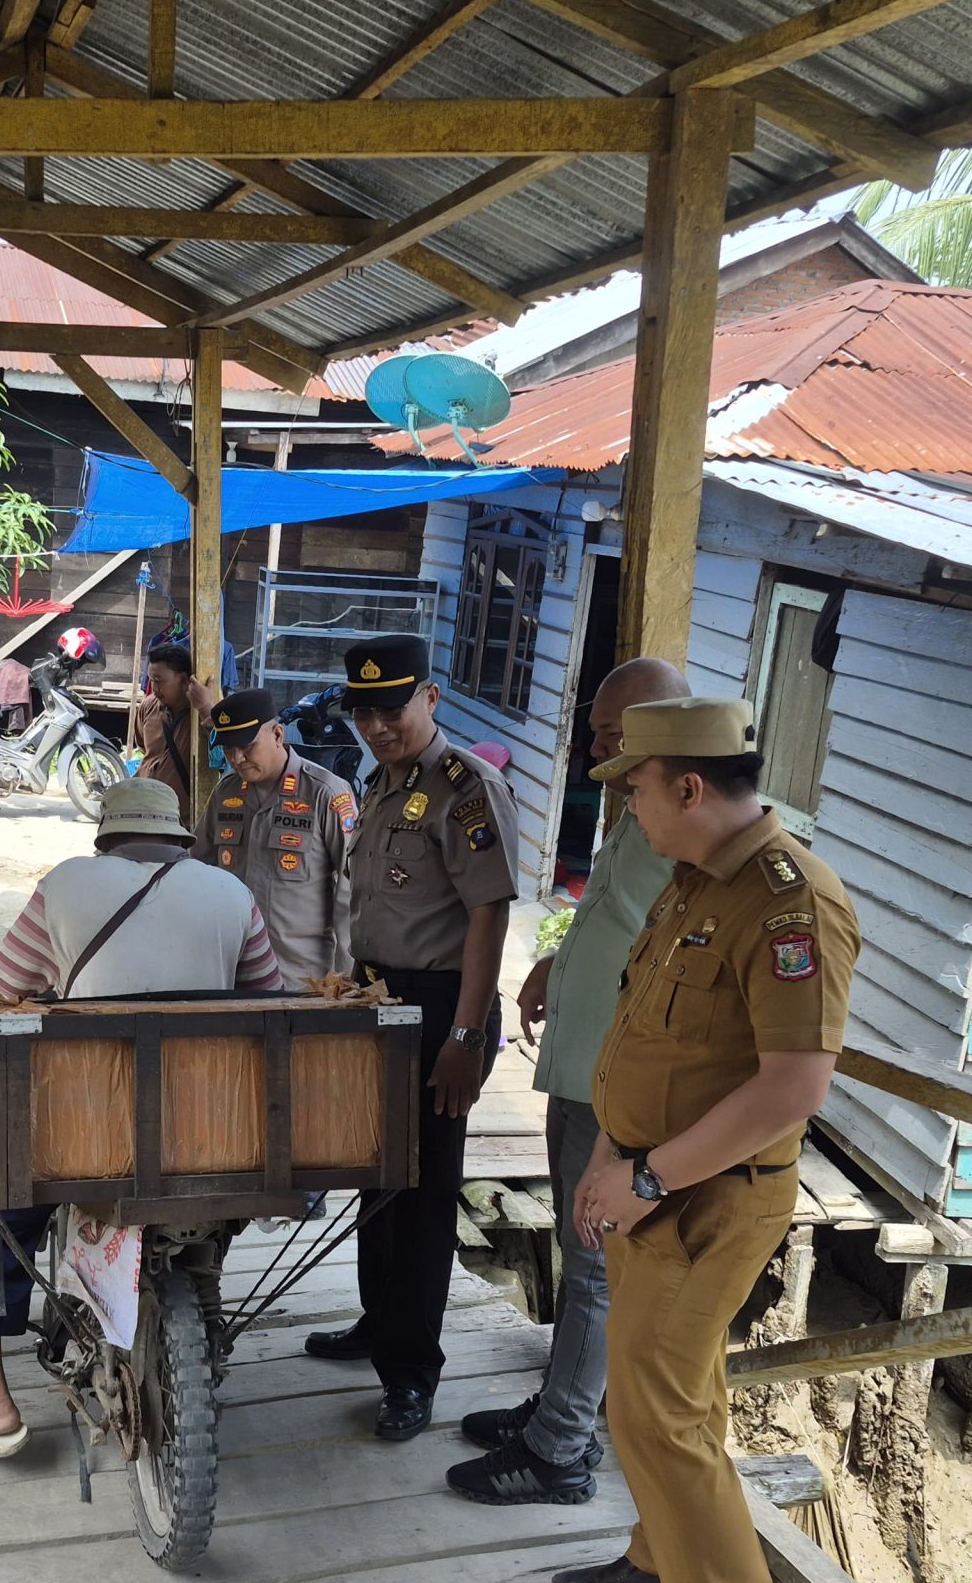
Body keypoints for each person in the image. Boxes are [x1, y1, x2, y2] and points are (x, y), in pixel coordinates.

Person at [558, 696, 860, 1583]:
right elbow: (647, 1037)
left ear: (688, 786)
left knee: (658, 1415)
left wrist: (647, 1178)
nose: (627, 808)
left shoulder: (789, 904)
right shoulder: (697, 882)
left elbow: (791, 1088)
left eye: (635, 788)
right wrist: (610, 1155)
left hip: (704, 1200)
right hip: (649, 1182)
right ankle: (657, 1560)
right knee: (666, 1396)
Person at [0, 775, 287, 1457]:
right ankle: (196, 1290)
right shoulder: (233, 893)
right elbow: (269, 1001)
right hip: (215, 1134)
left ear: (106, 840)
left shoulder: (66, 884)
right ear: (177, 841)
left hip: (90, 1138)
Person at [447, 656, 686, 1506]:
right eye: (593, 730)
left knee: (593, 1263)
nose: (591, 748)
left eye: (609, 734)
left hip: (619, 1081)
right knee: (579, 1251)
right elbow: (622, 924)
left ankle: (561, 1449)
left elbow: (680, 966)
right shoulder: (636, 804)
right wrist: (559, 958)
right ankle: (561, 1406)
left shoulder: (687, 830)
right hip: (581, 1065)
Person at [306, 633, 517, 1441]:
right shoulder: (384, 780)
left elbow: (488, 915)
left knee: (423, 1193)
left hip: (438, 1009)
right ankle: (377, 1323)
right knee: (374, 1172)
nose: (377, 725)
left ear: (429, 698)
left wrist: (467, 1032)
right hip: (376, 997)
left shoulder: (467, 788)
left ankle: (411, 1374)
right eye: (364, 711)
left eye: (391, 708)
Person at [191, 687, 355, 988]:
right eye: (229, 748)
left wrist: (343, 981)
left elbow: (349, 893)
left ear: (278, 734)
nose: (237, 758)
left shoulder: (325, 793)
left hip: (300, 979)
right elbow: (197, 870)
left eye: (247, 746)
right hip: (230, 973)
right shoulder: (226, 793)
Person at [132, 641, 217, 808]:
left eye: (159, 680)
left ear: (184, 680)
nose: (154, 688)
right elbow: (143, 748)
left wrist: (205, 708)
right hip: (144, 808)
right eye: (151, 680)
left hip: (180, 818)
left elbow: (224, 752)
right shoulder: (148, 706)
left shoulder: (200, 714)